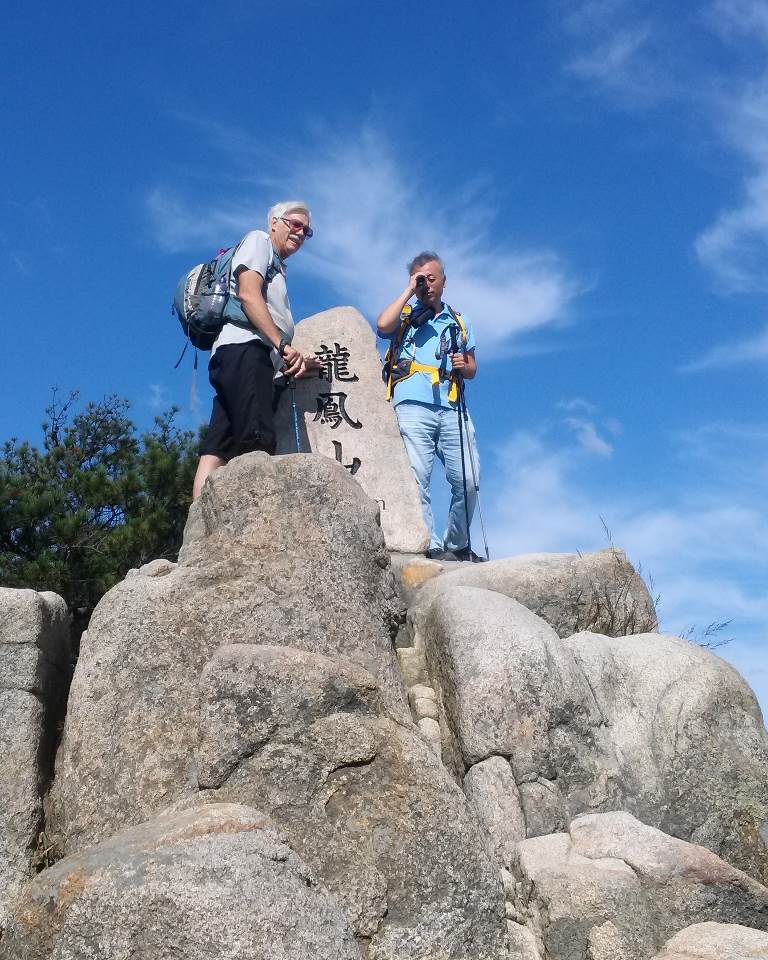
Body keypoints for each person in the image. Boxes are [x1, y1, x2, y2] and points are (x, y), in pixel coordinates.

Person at [192, 201, 317, 498]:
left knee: (217, 447)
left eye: (307, 230)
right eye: (294, 224)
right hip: (246, 351)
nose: (300, 233)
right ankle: (256, 529)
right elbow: (249, 295)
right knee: (257, 440)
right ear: (274, 222)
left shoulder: (275, 262)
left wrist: (293, 356)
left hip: (236, 355)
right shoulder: (258, 241)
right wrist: (282, 344)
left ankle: (195, 531)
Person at [376, 252, 485, 562]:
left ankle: (457, 544)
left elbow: (473, 367)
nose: (427, 284)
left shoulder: (459, 321)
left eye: (431, 278)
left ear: (444, 281)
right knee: (416, 477)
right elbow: (382, 326)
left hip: (452, 405)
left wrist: (464, 364)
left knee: (469, 478)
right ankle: (430, 542)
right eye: (420, 279)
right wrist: (410, 290)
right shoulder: (407, 315)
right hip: (412, 402)